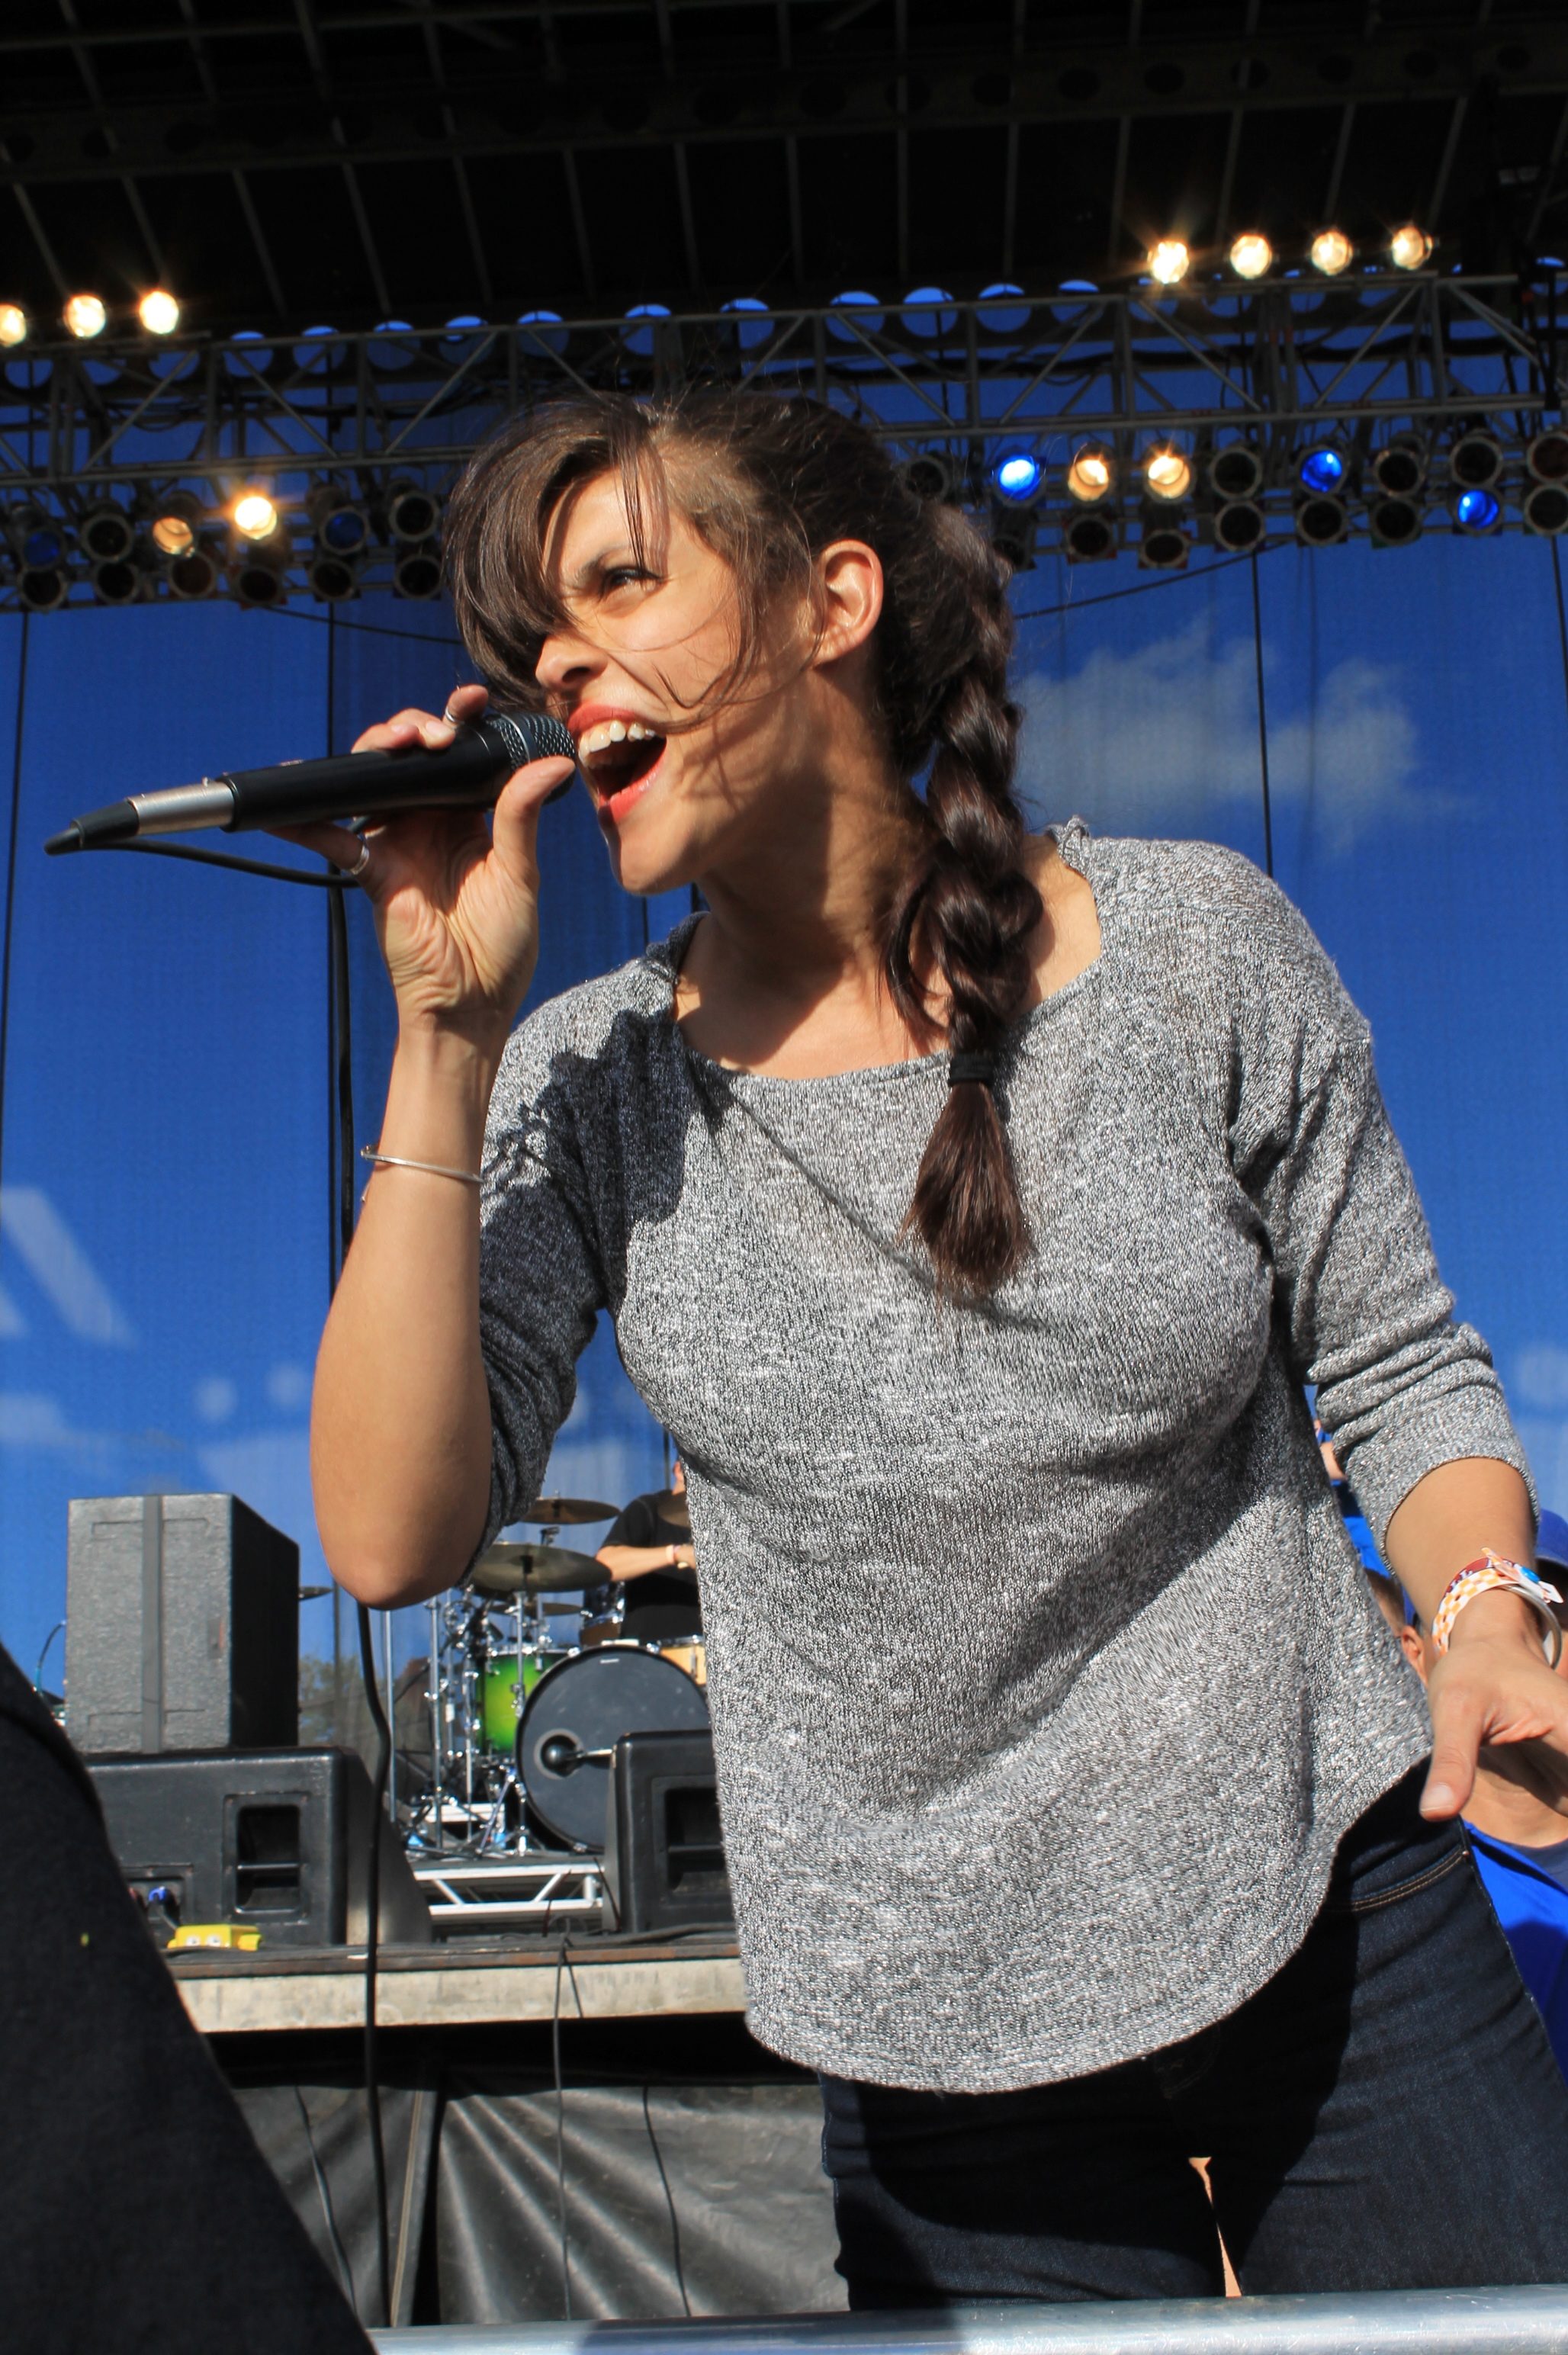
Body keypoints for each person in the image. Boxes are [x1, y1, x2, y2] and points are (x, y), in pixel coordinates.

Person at [300, 387, 1568, 2302]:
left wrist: (1479, 1600)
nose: (561, 666)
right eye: (532, 645)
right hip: (934, 2032)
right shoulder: (584, 1087)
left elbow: (1393, 1365)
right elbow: (391, 1541)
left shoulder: (1189, 951)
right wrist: (441, 1032)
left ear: (829, 600)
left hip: (1336, 1914)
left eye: (621, 588)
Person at [1396, 1510, 1568, 2079]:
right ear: (1415, 1653)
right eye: (1465, 1620)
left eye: (1543, 1619)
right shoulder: (1375, 1869)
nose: (1510, 1647)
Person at [588, 1455, 702, 1645]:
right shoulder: (648, 1510)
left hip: (714, 1654)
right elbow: (605, 1564)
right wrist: (674, 1554)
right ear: (678, 1471)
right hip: (650, 1653)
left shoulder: (721, 1526)